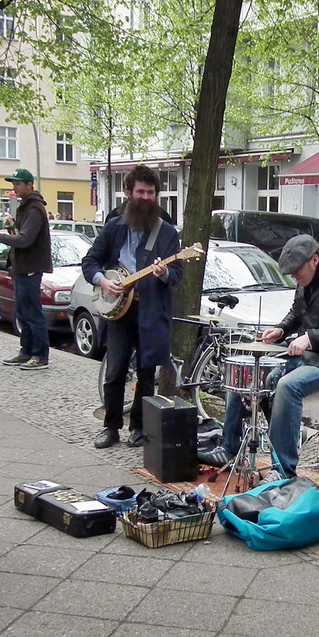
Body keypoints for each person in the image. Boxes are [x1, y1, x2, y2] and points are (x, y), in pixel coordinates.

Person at [217, 234, 319, 477]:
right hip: (307, 355)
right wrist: (282, 329)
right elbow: (297, 312)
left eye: (296, 271)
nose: (294, 276)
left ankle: (283, 469)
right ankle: (229, 448)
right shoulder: (306, 278)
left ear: (314, 260)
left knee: (287, 386)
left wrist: (311, 338)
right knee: (250, 374)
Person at [82, 164, 183, 449]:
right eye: (141, 191)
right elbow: (90, 262)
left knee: (146, 373)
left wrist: (164, 273)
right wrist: (103, 281)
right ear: (128, 192)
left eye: (151, 192)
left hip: (150, 311)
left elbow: (177, 274)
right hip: (118, 311)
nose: (146, 197)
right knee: (114, 371)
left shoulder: (166, 233)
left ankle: (138, 428)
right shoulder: (114, 227)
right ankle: (111, 427)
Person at [0, 168, 51, 370]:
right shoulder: (26, 207)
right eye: (13, 184)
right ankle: (26, 351)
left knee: (32, 313)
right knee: (23, 313)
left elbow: (25, 240)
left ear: (29, 185)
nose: (14, 188)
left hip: (30, 267)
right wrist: (12, 226)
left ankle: (40, 355)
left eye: (17, 184)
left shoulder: (34, 209)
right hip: (22, 267)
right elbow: (21, 235)